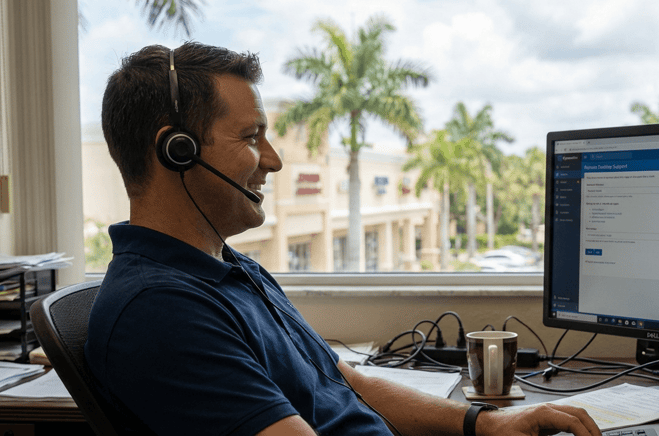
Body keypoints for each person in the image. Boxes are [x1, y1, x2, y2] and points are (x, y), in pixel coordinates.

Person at [84, 41, 602, 436]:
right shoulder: (160, 310)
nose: (274, 160)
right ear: (177, 151)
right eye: (250, 137)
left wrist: (487, 425)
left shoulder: (233, 269)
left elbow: (349, 382)